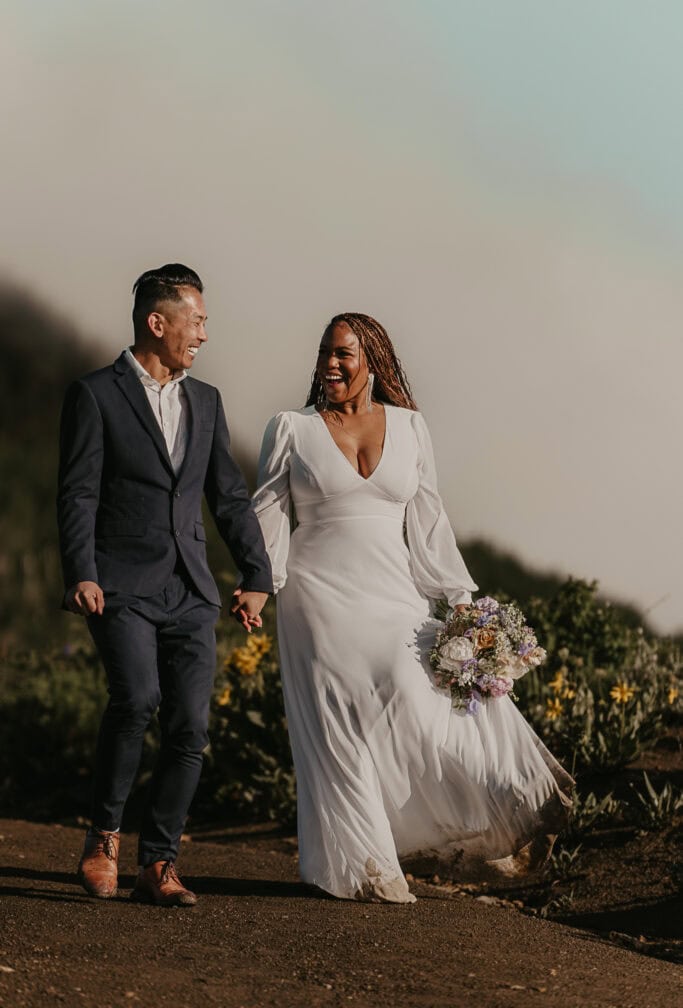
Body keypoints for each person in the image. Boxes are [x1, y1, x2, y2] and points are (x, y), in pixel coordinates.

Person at [251, 313, 572, 903]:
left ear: (374, 359)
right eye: (324, 352)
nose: (330, 364)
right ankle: (362, 867)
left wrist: (459, 602)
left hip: (394, 590)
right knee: (337, 727)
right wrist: (259, 581)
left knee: (418, 692)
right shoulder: (291, 428)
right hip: (316, 594)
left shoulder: (410, 427)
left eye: (344, 354)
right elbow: (268, 509)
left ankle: (499, 807)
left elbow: (429, 520)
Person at [57, 264, 272, 906]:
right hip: (120, 584)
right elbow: (78, 492)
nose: (204, 332)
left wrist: (256, 575)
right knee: (136, 698)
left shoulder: (205, 402)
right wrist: (82, 572)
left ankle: (159, 862)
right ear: (159, 322)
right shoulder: (95, 394)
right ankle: (104, 840)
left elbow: (228, 498)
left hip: (191, 589)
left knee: (189, 727)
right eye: (196, 319)